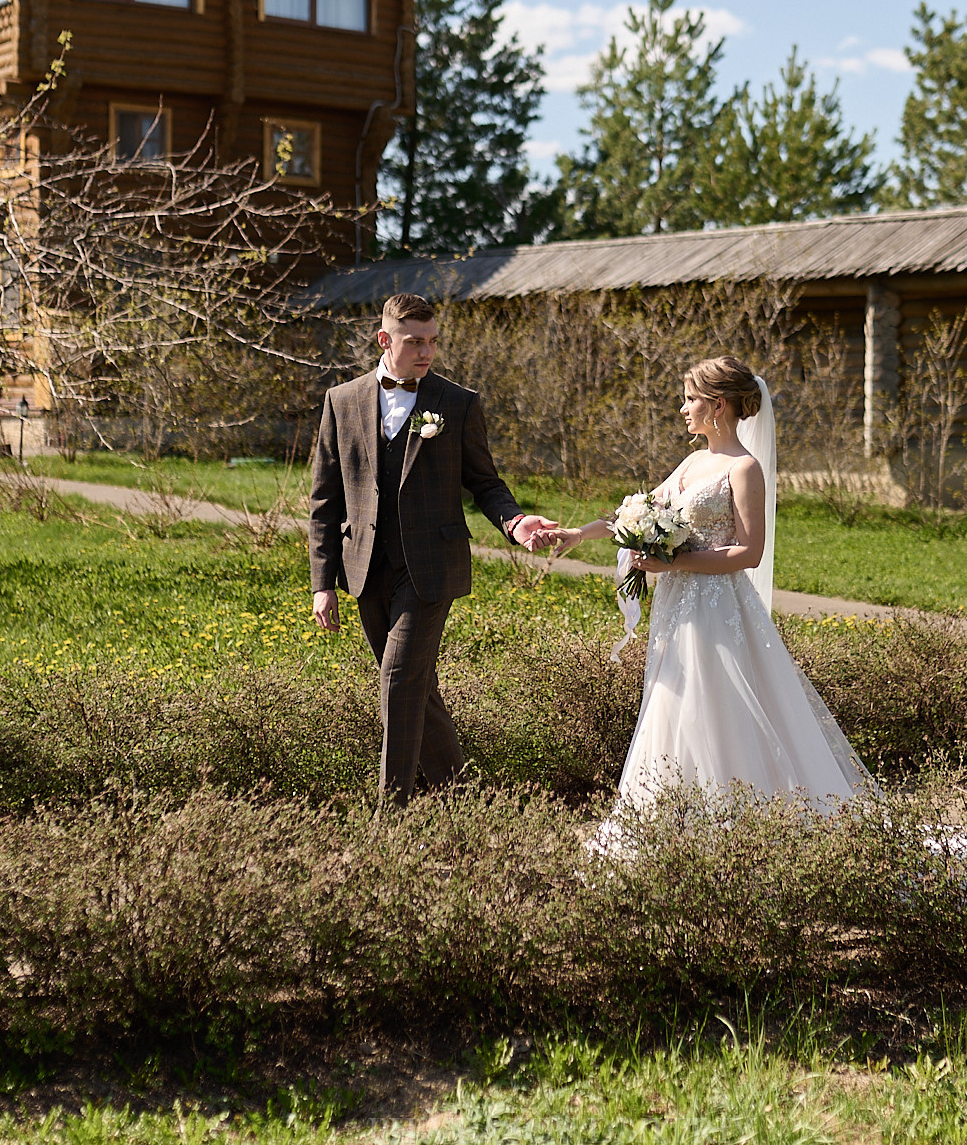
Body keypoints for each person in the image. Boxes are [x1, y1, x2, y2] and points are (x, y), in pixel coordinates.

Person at [541, 356, 872, 814]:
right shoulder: (693, 461)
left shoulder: (744, 469)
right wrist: (579, 534)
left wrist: (673, 561)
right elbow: (635, 514)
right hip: (676, 606)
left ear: (718, 405)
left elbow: (748, 552)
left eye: (690, 399)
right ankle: (666, 816)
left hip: (717, 609)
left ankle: (731, 815)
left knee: (713, 705)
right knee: (670, 700)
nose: (683, 408)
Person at [309, 293, 557, 802]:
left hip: (429, 570)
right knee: (418, 692)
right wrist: (322, 583)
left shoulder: (456, 402)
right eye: (414, 341)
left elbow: (485, 482)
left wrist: (514, 522)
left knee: (398, 684)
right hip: (364, 569)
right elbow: (325, 499)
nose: (426, 352)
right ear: (385, 340)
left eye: (432, 341)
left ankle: (390, 816)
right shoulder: (342, 401)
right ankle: (460, 800)